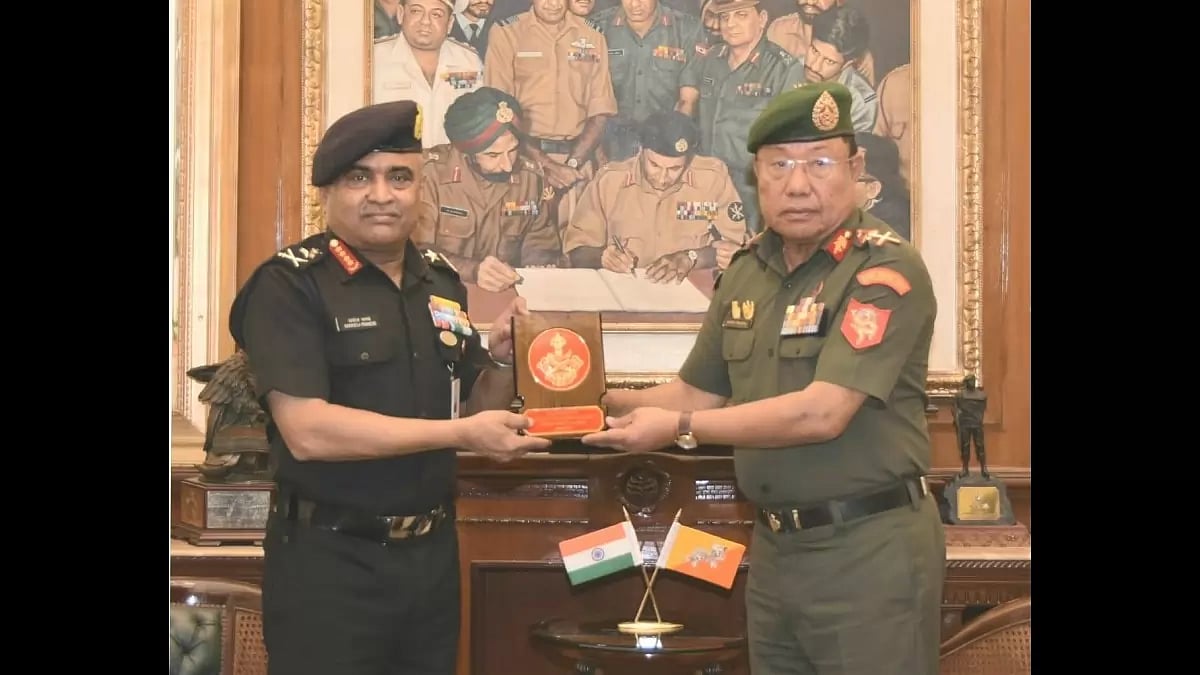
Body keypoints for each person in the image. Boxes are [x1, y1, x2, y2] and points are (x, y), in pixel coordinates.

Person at [581, 81, 945, 674]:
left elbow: (822, 412)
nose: (797, 184)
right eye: (779, 166)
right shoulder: (748, 270)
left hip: (868, 548)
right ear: (756, 175)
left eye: (820, 163)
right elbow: (695, 390)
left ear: (855, 168)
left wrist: (678, 427)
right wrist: (579, 400)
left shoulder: (882, 267)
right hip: (776, 551)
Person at [228, 99, 552, 675]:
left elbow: (476, 401)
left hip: (430, 558)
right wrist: (461, 433)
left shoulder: (442, 279)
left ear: (419, 190)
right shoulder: (289, 286)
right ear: (326, 192)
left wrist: (505, 361)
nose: (382, 194)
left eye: (399, 176)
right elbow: (308, 432)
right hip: (329, 563)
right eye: (361, 177)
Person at [415, 87, 562, 291]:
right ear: (466, 152)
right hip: (437, 290)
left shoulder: (531, 179)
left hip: (504, 297)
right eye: (493, 155)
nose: (508, 166)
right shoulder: (428, 176)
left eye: (512, 150)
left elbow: (541, 244)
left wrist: (538, 269)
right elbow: (414, 251)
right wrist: (472, 271)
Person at [953, 374, 988, 478]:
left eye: (973, 380)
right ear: (966, 382)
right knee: (965, 447)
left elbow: (983, 409)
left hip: (977, 424)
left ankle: (984, 468)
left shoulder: (982, 395)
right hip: (965, 424)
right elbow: (955, 409)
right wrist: (957, 419)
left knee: (980, 446)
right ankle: (965, 468)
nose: (971, 382)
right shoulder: (960, 395)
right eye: (969, 381)